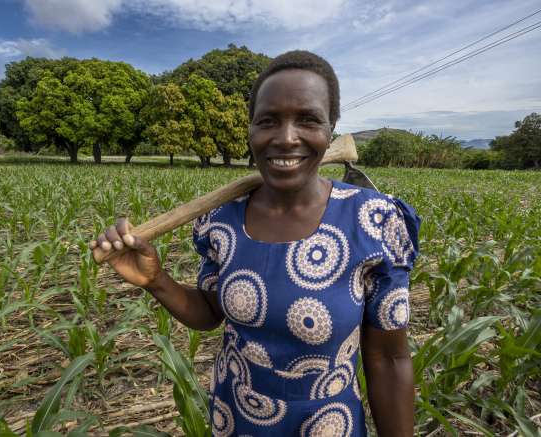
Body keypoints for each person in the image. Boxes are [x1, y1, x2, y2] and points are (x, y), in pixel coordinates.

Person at [90, 50, 419, 437]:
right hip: (235, 416)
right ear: (250, 130)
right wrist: (156, 280)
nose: (285, 138)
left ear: (331, 130)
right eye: (268, 121)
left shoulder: (373, 220)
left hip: (328, 424)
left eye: (308, 119)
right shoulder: (219, 219)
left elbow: (389, 358)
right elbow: (211, 313)